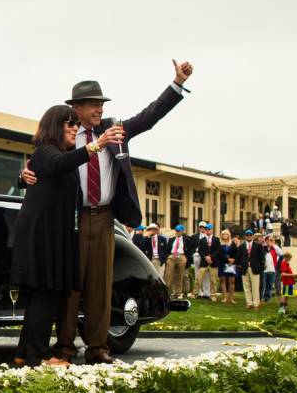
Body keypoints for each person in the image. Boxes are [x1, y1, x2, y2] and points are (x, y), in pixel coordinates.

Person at [21, 59, 194, 364]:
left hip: (104, 218)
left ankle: (98, 346)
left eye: (101, 104)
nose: (99, 109)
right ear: (76, 108)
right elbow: (45, 166)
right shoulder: (65, 139)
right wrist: (23, 176)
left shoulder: (115, 132)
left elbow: (148, 118)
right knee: (70, 286)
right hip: (72, 220)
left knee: (101, 284)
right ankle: (64, 346)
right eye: (92, 105)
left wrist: (176, 84)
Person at [12, 105, 109, 366]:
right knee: (46, 292)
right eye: (70, 124)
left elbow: (52, 169)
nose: (75, 128)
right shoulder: (46, 151)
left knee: (43, 295)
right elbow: (56, 165)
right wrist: (94, 146)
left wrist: (22, 176)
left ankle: (25, 353)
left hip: (52, 231)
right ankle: (36, 355)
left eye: (76, 124)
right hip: (42, 233)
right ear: (56, 126)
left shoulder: (50, 154)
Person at [195, 222, 220, 301]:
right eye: (206, 229)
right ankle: (195, 293)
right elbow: (199, 250)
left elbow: (218, 250)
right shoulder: (202, 240)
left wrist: (211, 257)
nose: (208, 230)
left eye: (209, 229)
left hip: (213, 262)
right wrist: (205, 257)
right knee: (199, 278)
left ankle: (213, 295)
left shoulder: (216, 239)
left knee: (213, 280)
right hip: (204, 262)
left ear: (212, 230)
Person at [164, 224, 190, 298]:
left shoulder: (187, 240)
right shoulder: (172, 239)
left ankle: (178, 293)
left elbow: (189, 250)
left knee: (179, 275)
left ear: (182, 231)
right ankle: (167, 291)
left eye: (178, 231)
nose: (177, 232)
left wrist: (186, 258)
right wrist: (168, 256)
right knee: (168, 274)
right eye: (176, 230)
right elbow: (168, 249)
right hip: (172, 256)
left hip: (181, 255)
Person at [241, 230, 264, 309]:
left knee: (255, 287)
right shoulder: (242, 246)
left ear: (252, 236)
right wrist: (241, 265)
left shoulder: (257, 246)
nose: (248, 236)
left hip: (255, 268)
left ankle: (256, 304)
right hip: (245, 268)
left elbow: (261, 258)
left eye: (250, 235)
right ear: (245, 236)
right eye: (247, 235)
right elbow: (239, 257)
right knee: (246, 286)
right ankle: (249, 302)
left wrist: (260, 267)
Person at [216, 229, 237, 304]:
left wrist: (233, 259)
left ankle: (231, 298)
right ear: (221, 235)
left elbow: (236, 252)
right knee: (223, 280)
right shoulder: (219, 244)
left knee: (232, 281)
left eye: (226, 234)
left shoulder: (232, 243)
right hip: (222, 263)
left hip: (231, 264)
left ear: (229, 235)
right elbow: (218, 254)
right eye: (223, 234)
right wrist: (227, 259)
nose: (225, 235)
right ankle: (224, 297)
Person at [261, 235, 278, 303]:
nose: (271, 242)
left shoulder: (275, 249)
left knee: (270, 285)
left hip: (273, 270)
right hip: (264, 270)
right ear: (266, 241)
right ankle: (261, 298)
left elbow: (281, 254)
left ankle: (267, 299)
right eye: (270, 240)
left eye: (272, 240)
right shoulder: (263, 248)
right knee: (263, 285)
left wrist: (273, 245)